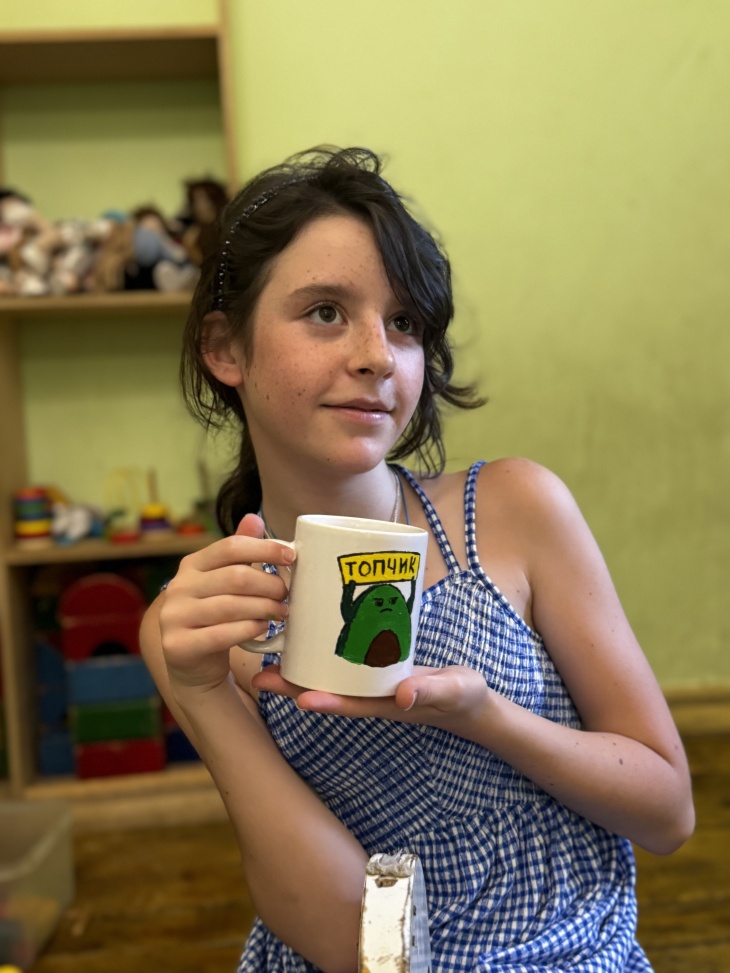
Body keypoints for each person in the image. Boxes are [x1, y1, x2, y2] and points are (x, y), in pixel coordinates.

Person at [140, 146, 694, 973]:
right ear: (226, 348)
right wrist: (201, 690)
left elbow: (668, 813)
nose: (377, 354)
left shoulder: (516, 509)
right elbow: (355, 947)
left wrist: (482, 713)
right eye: (325, 311)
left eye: (404, 322)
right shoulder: (202, 627)